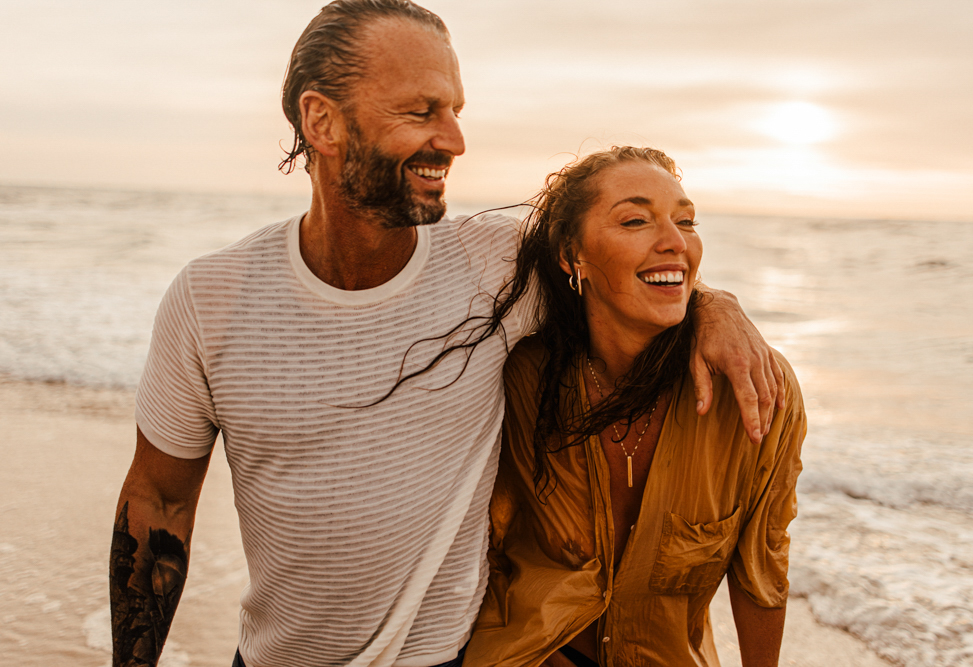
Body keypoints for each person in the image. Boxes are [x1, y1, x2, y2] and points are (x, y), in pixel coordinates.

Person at [109, 3, 785, 667]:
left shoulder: (497, 265)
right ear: (322, 120)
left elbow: (623, 265)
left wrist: (712, 306)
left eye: (457, 111)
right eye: (421, 111)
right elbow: (159, 498)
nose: (455, 140)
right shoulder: (211, 299)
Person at [462, 147, 806, 667]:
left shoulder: (754, 390)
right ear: (571, 256)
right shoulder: (521, 375)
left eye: (686, 221)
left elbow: (764, 565)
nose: (674, 242)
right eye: (635, 220)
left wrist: (715, 301)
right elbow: (475, 538)